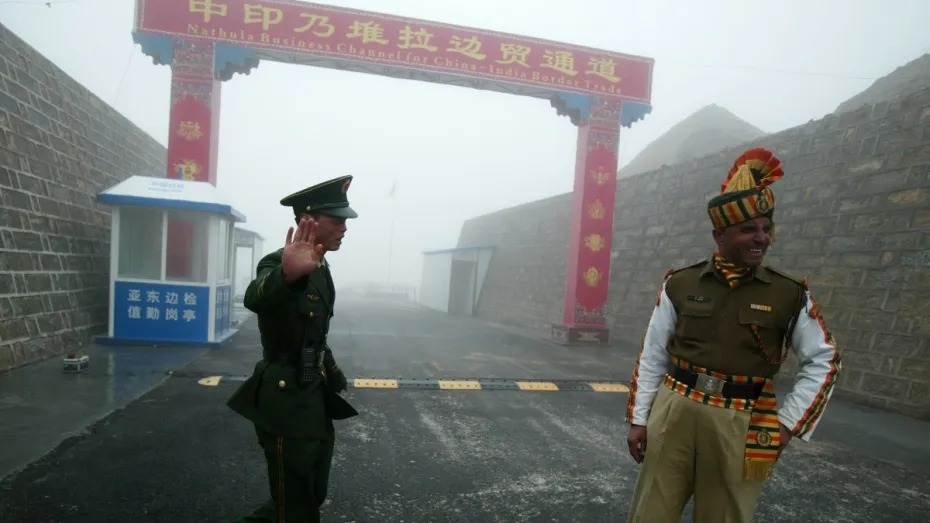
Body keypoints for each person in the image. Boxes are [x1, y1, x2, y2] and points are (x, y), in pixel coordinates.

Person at [624, 148, 843, 523]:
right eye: (748, 230)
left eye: (766, 228)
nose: (762, 238)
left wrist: (787, 426)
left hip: (742, 420)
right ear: (719, 235)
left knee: (725, 517)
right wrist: (639, 418)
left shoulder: (788, 293)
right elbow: (653, 354)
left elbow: (824, 360)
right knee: (650, 513)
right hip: (674, 410)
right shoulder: (681, 283)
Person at [227, 174, 360, 523]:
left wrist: (333, 373)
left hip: (312, 393)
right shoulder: (280, 263)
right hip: (285, 399)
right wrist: (287, 276)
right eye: (337, 219)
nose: (344, 227)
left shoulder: (321, 265)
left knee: (309, 492)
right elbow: (255, 297)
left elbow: (314, 335)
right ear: (308, 220)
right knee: (296, 504)